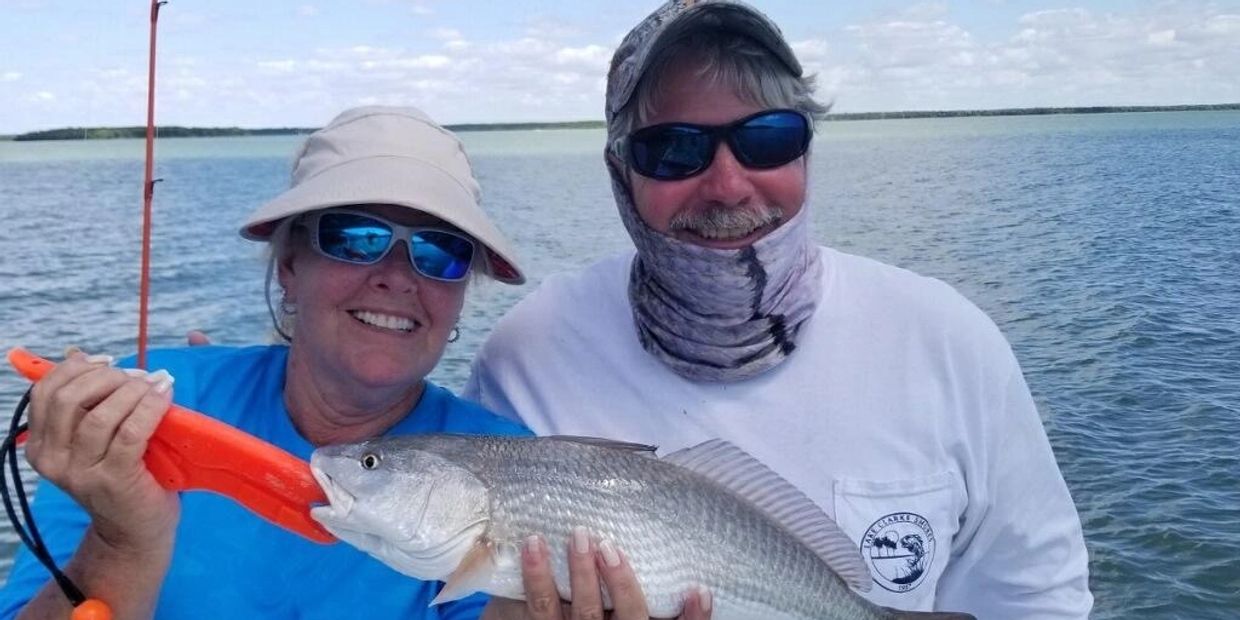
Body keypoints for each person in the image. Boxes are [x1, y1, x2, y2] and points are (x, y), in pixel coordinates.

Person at [465, 2, 1094, 619]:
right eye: (673, 150)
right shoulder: (530, 355)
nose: (729, 185)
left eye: (768, 139)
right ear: (619, 172)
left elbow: (1037, 596)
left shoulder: (949, 341)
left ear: (806, 151)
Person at [0, 106, 536, 619]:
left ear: (462, 290)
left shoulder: (514, 468)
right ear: (289, 267)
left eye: (441, 251)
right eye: (356, 238)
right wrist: (122, 542)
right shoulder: (151, 404)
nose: (397, 275)